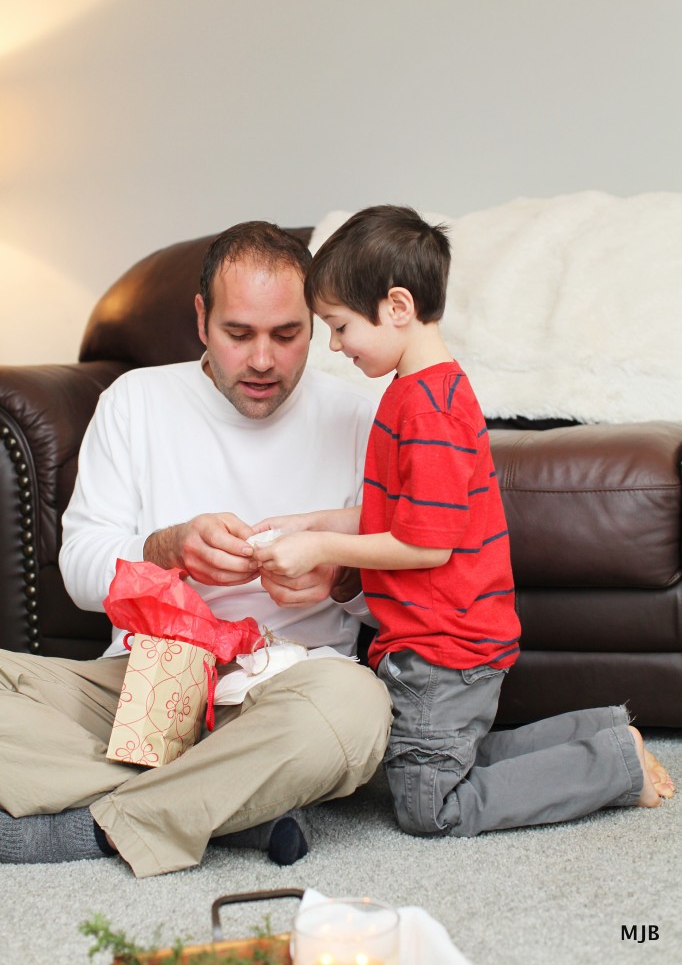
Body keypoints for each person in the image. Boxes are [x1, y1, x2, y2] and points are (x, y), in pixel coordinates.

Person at [251, 204, 675, 841]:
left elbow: (425, 545)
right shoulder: (416, 391)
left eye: (339, 327)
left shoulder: (428, 409)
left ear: (397, 307)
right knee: (430, 764)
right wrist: (310, 522)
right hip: (438, 641)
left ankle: (610, 766)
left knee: (429, 804)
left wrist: (320, 544)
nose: (334, 345)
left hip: (442, 650)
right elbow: (407, 511)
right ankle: (600, 735)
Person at [0, 221, 392, 878]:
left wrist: (341, 579)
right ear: (202, 318)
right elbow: (79, 571)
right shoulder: (135, 402)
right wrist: (165, 547)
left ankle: (97, 826)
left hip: (291, 686)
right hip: (141, 683)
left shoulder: (361, 418)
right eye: (239, 334)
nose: (263, 360)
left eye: (287, 335)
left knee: (356, 713)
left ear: (316, 324)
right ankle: (238, 807)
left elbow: (408, 602)